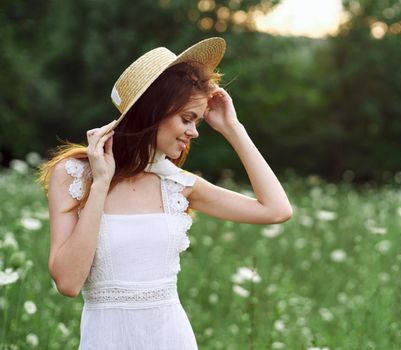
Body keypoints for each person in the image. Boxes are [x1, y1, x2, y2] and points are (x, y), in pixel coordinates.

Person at [37, 37, 293, 349]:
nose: (194, 132)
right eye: (187, 118)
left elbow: (277, 210)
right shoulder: (74, 174)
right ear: (154, 111)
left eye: (197, 121)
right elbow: (68, 283)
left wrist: (232, 128)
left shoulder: (176, 184)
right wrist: (101, 183)